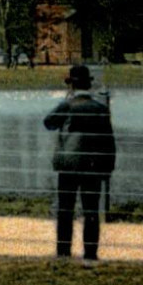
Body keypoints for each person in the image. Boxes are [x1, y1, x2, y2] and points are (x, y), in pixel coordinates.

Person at [45, 64, 116, 262]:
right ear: (89, 85)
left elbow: (48, 123)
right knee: (91, 210)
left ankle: (63, 251)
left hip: (68, 165)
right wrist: (108, 167)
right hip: (93, 165)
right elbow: (108, 141)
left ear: (71, 85)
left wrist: (65, 101)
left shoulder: (67, 106)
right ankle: (91, 253)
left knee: (65, 209)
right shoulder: (100, 109)